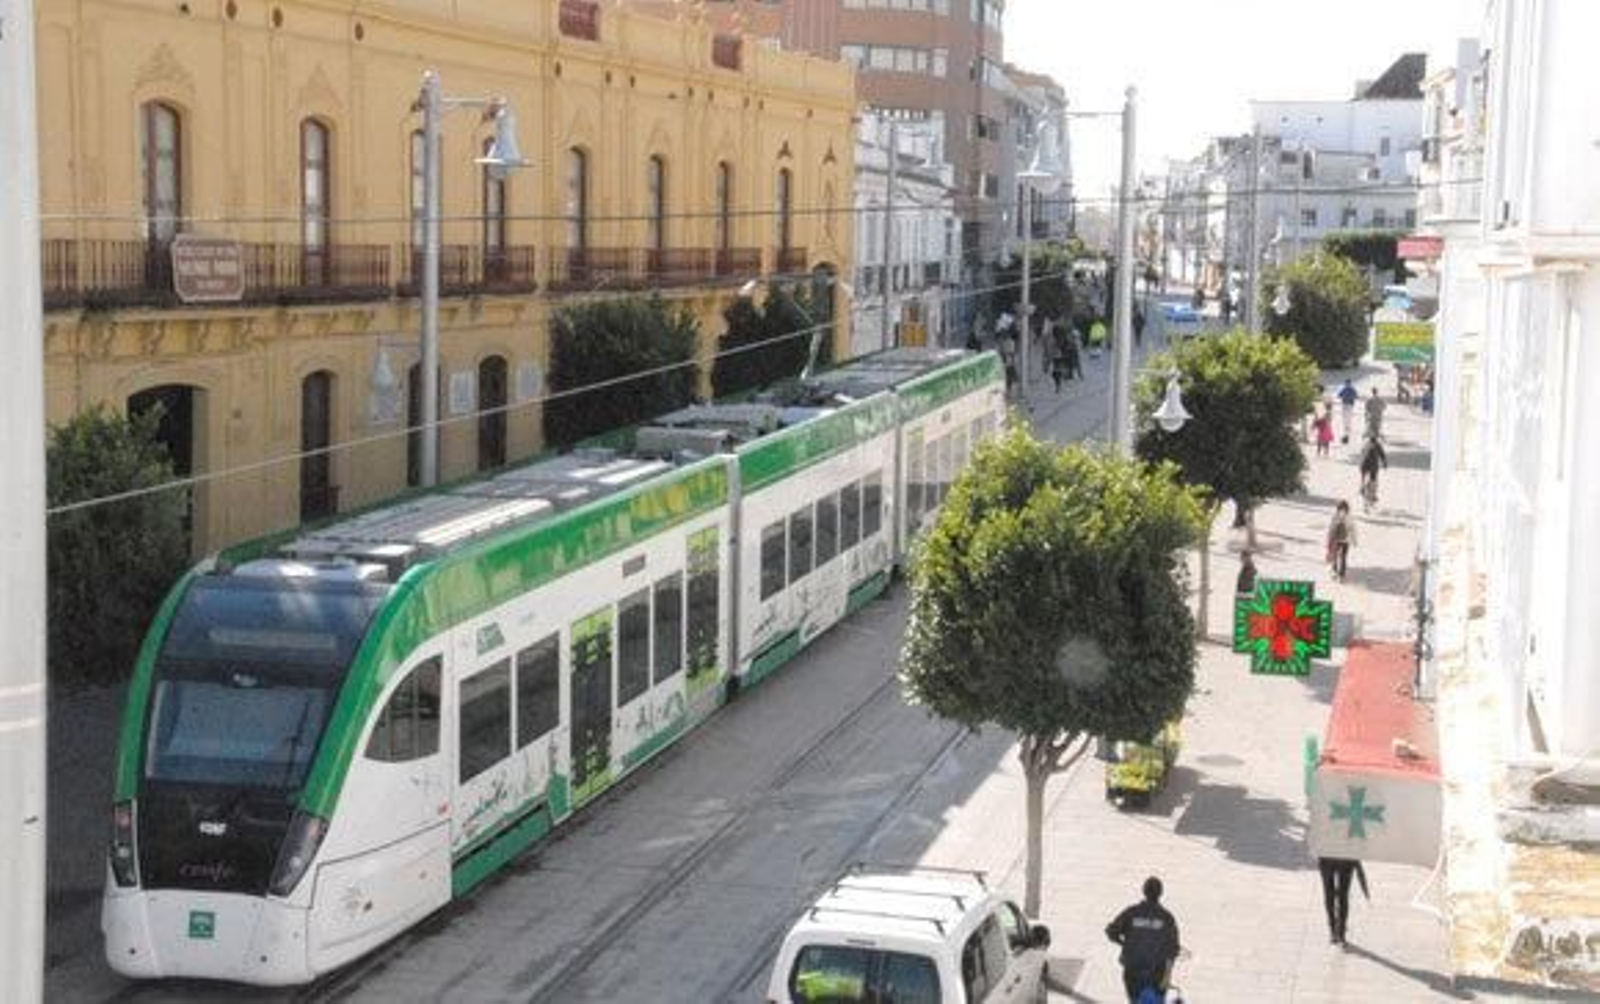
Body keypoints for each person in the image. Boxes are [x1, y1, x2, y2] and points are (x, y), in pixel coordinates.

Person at [1106, 876, 1181, 1003]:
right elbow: (1173, 949)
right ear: (1161, 893)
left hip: (1133, 971)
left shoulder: (1131, 913)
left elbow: (1111, 932)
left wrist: (1124, 943)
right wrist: (1167, 977)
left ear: (1144, 891)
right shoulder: (1167, 917)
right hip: (1158, 973)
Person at [1317, 857, 1369, 945]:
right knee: (1342, 895)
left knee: (1329, 893)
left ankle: (1334, 930)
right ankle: (1340, 933)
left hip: (1328, 856)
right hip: (1346, 856)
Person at [1327, 501, 1357, 581]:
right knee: (1342, 557)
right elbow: (1352, 529)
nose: (1342, 511)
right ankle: (1341, 574)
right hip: (1344, 540)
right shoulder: (1348, 517)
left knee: (1336, 555)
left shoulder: (1335, 516)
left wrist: (1330, 539)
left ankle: (1335, 571)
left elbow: (1331, 529)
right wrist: (1354, 540)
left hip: (1338, 540)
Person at [1359, 435, 1388, 511]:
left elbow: (1362, 455)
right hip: (1371, 468)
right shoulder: (1377, 445)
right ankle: (1371, 497)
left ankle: (1367, 496)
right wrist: (1384, 463)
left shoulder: (1366, 445)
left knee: (1367, 483)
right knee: (1372, 483)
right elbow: (1382, 455)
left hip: (1366, 467)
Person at [1336, 379, 1359, 444]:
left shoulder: (1344, 388)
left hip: (1344, 403)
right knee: (1349, 416)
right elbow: (1356, 396)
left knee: (1344, 416)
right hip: (1350, 404)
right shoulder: (1352, 389)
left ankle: (1346, 426)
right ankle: (1348, 427)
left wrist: (1344, 396)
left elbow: (1339, 395)